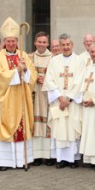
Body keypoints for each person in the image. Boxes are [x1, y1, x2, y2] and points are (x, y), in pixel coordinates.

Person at [0, 18, 36, 170]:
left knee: (21, 127)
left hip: (21, 98)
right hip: (5, 99)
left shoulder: (24, 56)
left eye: (13, 41)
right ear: (4, 41)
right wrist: (16, 71)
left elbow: (33, 76)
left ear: (17, 41)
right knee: (4, 128)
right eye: (8, 41)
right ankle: (5, 161)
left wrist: (26, 70)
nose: (11, 43)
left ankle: (22, 160)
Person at [45, 34, 86, 168]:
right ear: (60, 46)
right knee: (60, 129)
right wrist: (60, 97)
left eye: (68, 44)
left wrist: (68, 98)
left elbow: (80, 80)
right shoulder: (54, 61)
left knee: (71, 128)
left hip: (72, 102)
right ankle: (61, 159)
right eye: (63, 45)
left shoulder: (79, 61)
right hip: (59, 101)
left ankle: (73, 159)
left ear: (72, 45)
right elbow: (49, 80)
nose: (66, 47)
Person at [30, 32, 53, 164]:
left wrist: (46, 80)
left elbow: (56, 75)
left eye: (44, 42)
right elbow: (25, 74)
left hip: (47, 95)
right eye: (39, 42)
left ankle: (48, 155)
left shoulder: (54, 58)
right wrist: (35, 79)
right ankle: (36, 155)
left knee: (47, 123)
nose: (42, 44)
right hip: (34, 93)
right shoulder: (29, 57)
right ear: (35, 42)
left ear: (48, 43)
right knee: (35, 123)